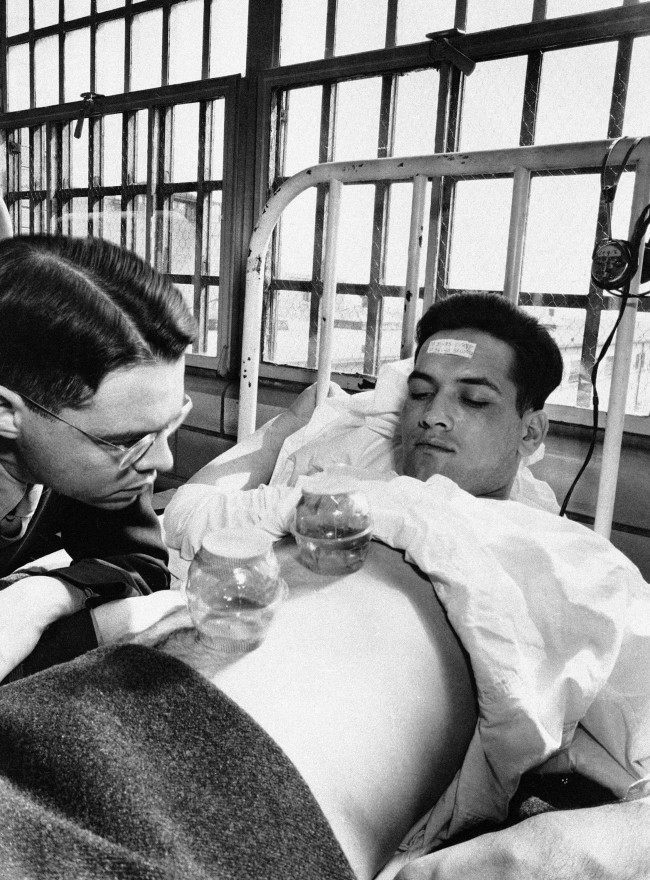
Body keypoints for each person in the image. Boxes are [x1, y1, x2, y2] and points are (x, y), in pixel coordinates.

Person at [164, 292, 649, 880]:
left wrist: (519, 856)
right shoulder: (334, 495)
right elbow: (190, 515)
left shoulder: (575, 563)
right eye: (419, 393)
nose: (432, 415)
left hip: (286, 783)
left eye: (473, 399)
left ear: (530, 433)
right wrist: (287, 427)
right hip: (163, 685)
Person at [0, 233, 195, 684]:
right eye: (128, 439)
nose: (162, 461)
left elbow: (140, 564)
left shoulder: (98, 467)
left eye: (169, 425)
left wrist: (43, 597)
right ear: (7, 413)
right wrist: (94, 627)